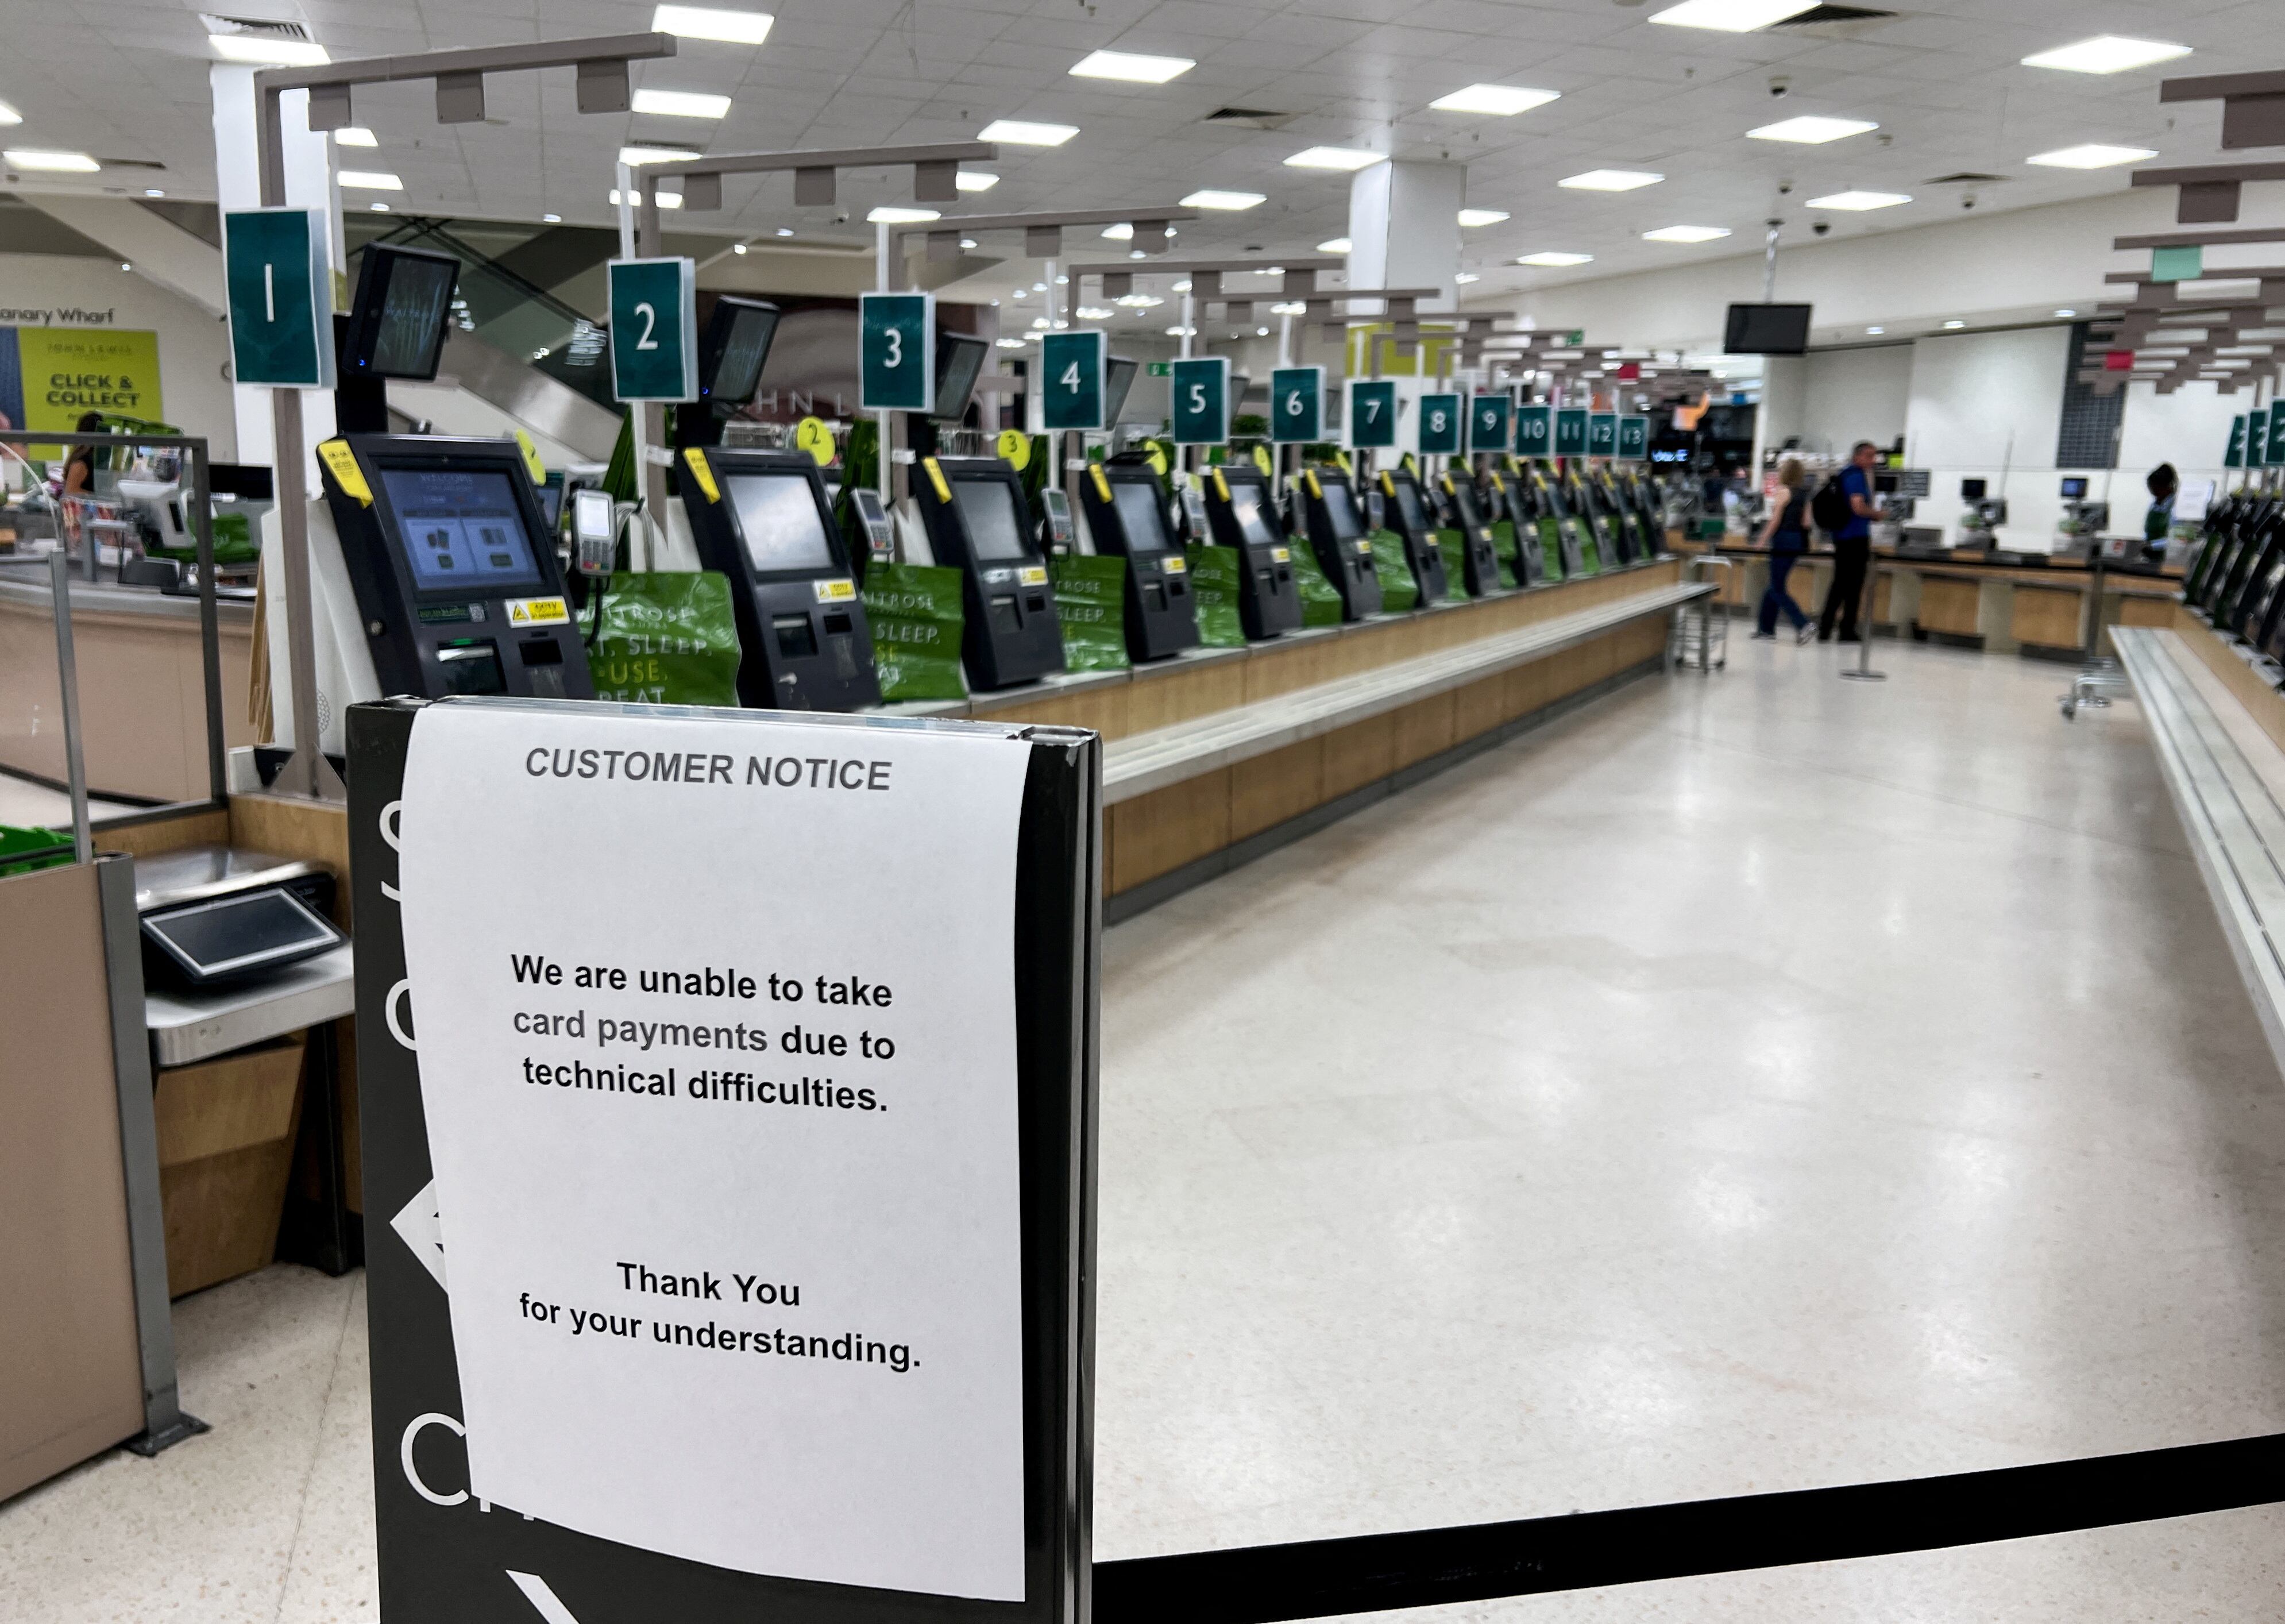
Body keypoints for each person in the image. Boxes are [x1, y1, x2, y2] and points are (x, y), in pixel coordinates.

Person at [1818, 440, 1879, 643]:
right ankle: (1845, 629)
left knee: (1841, 584)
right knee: (1851, 586)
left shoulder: (1846, 474)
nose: (1873, 460)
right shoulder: (1855, 476)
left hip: (1843, 537)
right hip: (1854, 538)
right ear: (1858, 456)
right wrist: (1877, 514)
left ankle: (1827, 628)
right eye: (1870, 456)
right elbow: (1858, 507)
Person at [1751, 459, 1815, 642]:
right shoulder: (1805, 495)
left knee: (1778, 588)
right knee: (1774, 584)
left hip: (1782, 539)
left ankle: (1803, 624)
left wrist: (1761, 542)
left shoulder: (1783, 491)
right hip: (1797, 541)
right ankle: (1766, 629)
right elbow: (1806, 523)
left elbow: (1775, 521)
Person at [62, 410, 105, 495]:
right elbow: (71, 491)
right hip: (85, 507)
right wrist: (99, 497)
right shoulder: (82, 462)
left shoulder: (96, 459)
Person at [2145, 463, 2179, 555]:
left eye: (2156, 490)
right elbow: (2147, 532)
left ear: (2167, 488)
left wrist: (2153, 545)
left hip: (2168, 557)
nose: (2154, 494)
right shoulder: (2153, 506)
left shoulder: (2176, 507)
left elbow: (2176, 540)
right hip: (2150, 555)